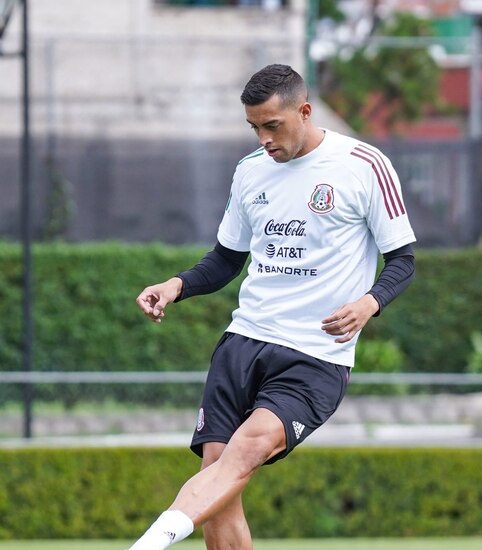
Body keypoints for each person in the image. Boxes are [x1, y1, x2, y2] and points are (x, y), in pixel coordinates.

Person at [129, 64, 416, 550]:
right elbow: (226, 260)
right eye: (254, 128)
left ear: (304, 111)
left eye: (272, 125)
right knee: (220, 493)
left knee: (246, 451)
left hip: (314, 355)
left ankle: (147, 544)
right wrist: (176, 285)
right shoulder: (250, 172)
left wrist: (370, 302)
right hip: (243, 344)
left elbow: (403, 260)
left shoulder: (364, 164)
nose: (263, 138)